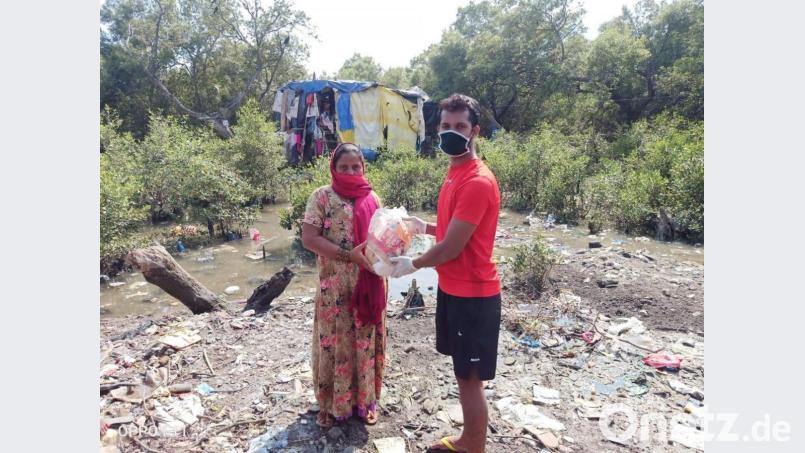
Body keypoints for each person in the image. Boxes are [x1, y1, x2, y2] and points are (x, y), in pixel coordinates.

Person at [390, 94, 502, 453]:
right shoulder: (455, 172)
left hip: (475, 295)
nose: (451, 133)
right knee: (463, 374)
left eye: (460, 127)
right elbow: (457, 229)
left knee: (470, 379)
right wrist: (424, 227)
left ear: (475, 131)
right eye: (445, 126)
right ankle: (470, 439)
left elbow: (454, 247)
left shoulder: (477, 180)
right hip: (456, 289)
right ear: (436, 129)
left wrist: (413, 264)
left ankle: (473, 446)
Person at [301, 143, 388, 428]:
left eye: (356, 167)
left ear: (363, 168)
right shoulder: (322, 197)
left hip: (369, 282)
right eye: (344, 167)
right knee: (333, 344)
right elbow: (309, 239)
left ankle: (365, 401)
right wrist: (347, 256)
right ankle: (329, 404)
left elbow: (384, 238)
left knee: (364, 341)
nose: (351, 172)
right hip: (334, 288)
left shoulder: (373, 198)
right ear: (333, 169)